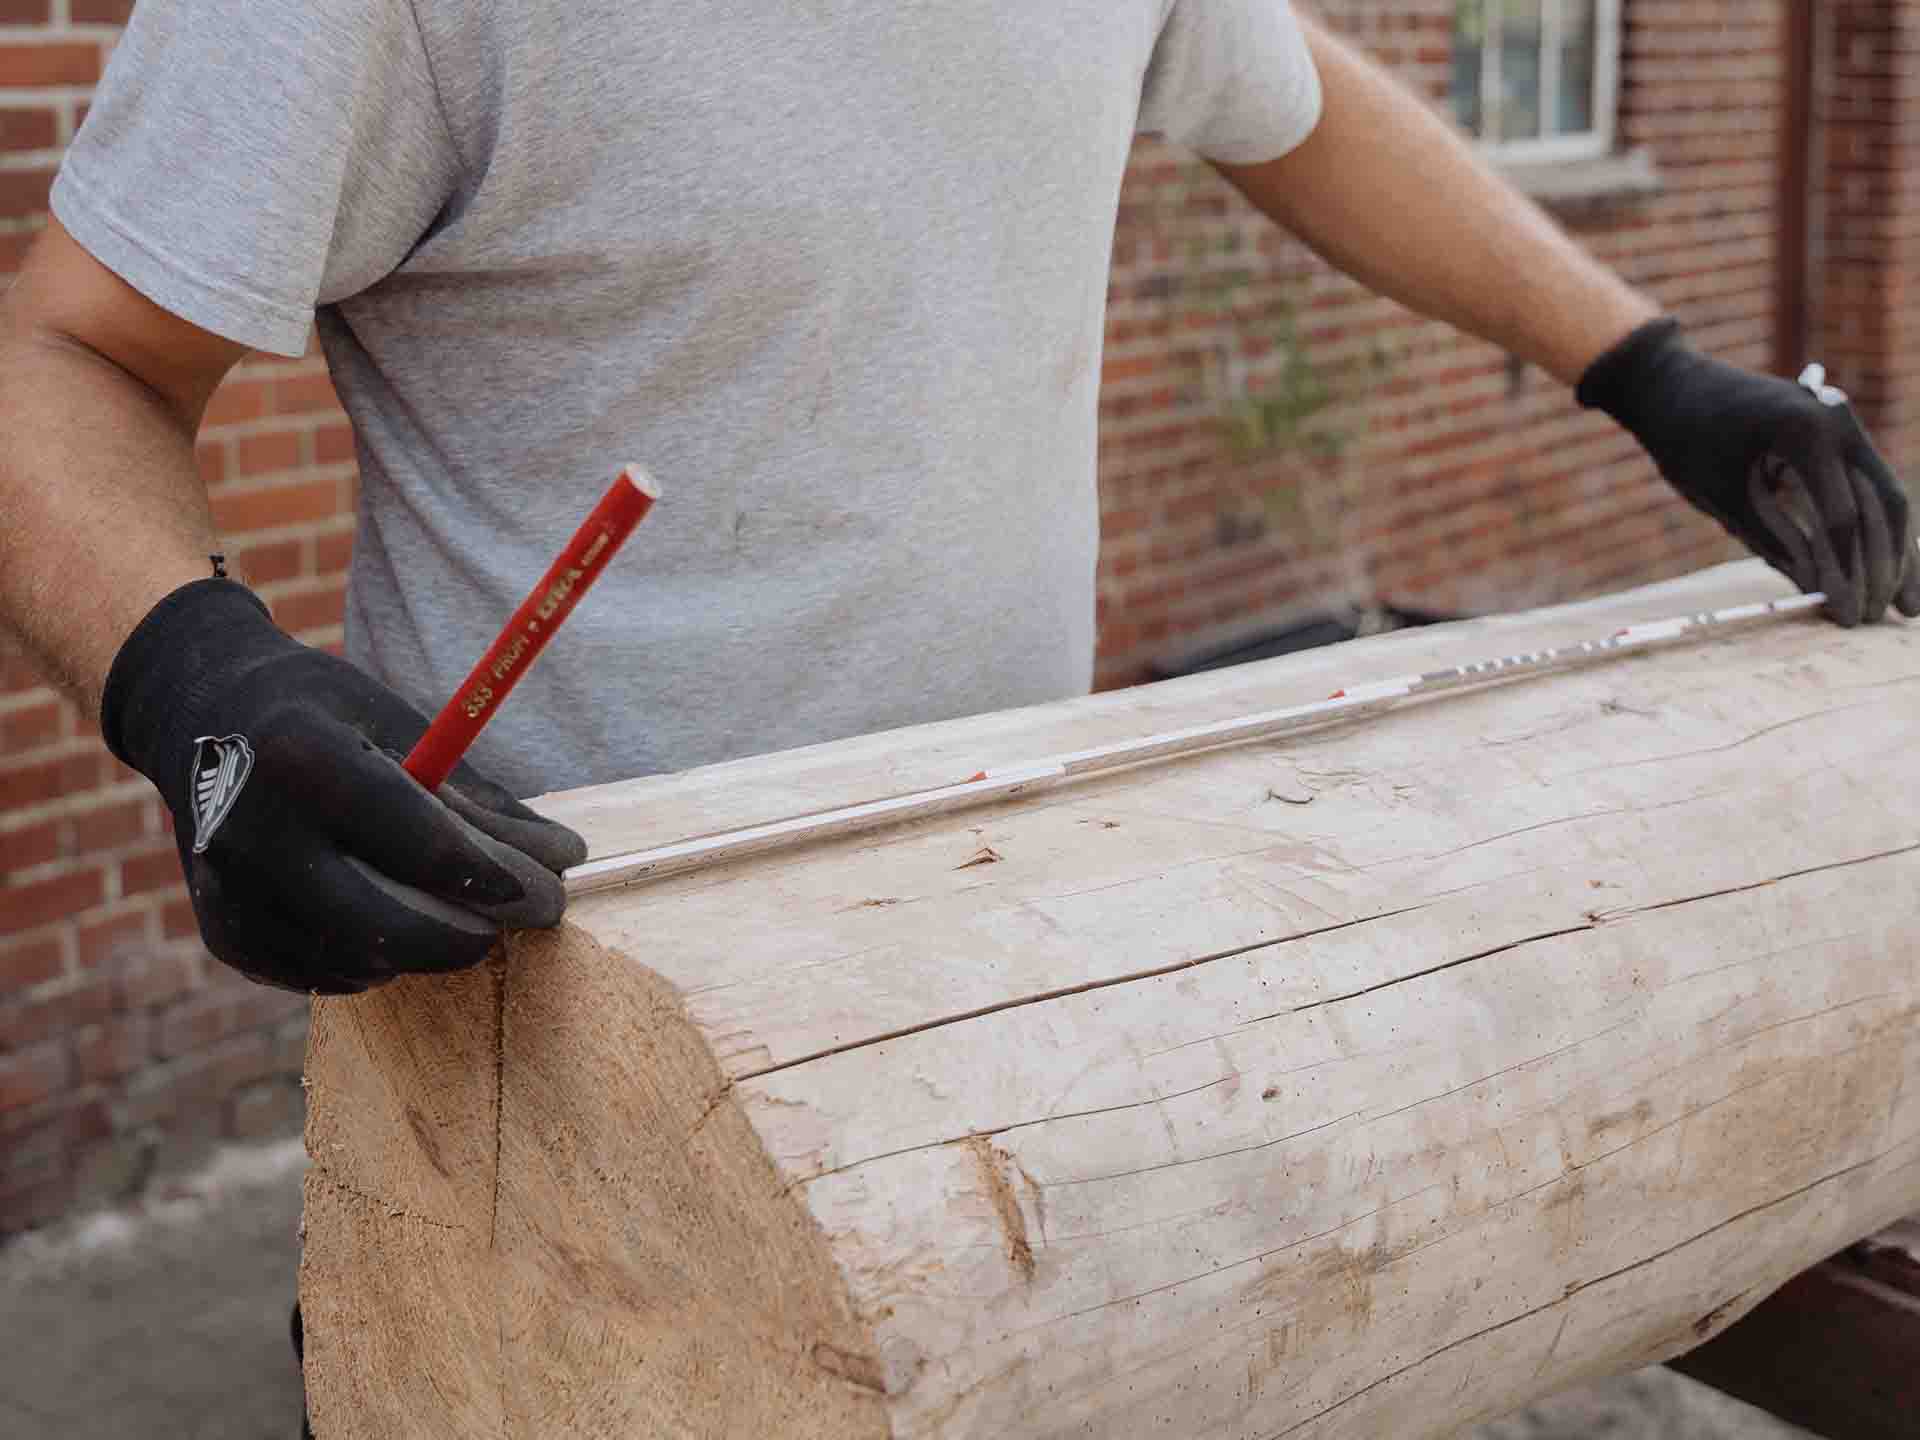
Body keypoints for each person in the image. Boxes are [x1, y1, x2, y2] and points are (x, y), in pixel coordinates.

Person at [1, 2, 1913, 1434]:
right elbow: (66, 354)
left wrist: (1645, 367)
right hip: (546, 1056)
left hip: (989, 996)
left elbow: (1299, 101)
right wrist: (201, 684)